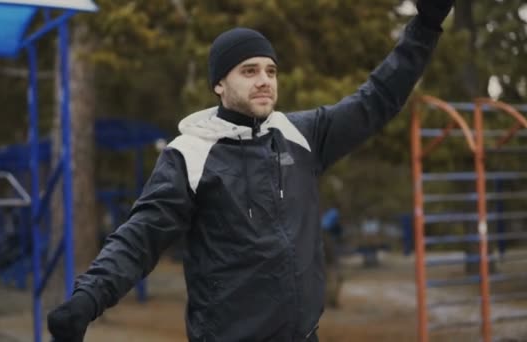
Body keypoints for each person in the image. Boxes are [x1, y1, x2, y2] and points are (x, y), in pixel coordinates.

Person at [48, 1, 454, 341]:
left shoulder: (301, 134)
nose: (264, 81)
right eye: (249, 71)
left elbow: (378, 97)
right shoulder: (189, 154)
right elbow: (139, 239)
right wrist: (88, 298)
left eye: (270, 70)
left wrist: (426, 26)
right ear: (219, 85)